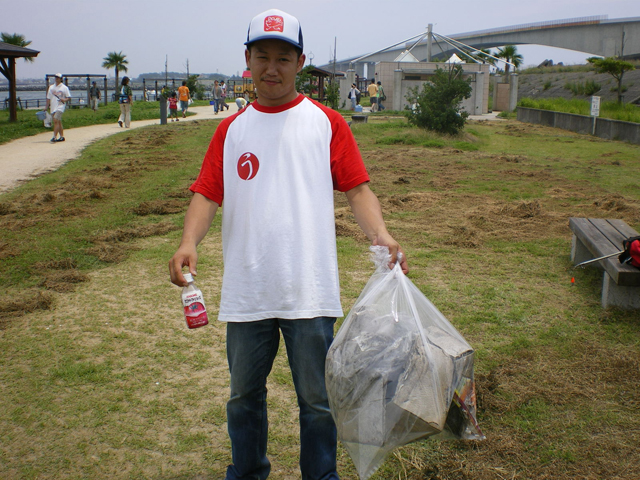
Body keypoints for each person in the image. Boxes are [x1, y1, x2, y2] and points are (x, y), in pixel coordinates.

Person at [168, 8, 407, 480]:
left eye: (283, 58)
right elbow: (207, 193)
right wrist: (188, 240)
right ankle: (247, 472)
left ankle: (320, 475)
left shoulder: (327, 123)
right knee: (243, 398)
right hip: (248, 291)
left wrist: (380, 233)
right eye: (262, 57)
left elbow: (357, 189)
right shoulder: (230, 131)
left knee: (317, 401)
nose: (272, 68)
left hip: (309, 290)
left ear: (300, 62)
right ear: (247, 60)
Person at [45, 73, 71, 143]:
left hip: (60, 106)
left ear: (61, 79)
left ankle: (54, 137)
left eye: (58, 78)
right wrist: (46, 107)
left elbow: (68, 97)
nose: (57, 79)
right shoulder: (51, 87)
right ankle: (62, 136)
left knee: (55, 120)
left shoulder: (64, 88)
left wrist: (64, 100)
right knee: (58, 121)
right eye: (56, 77)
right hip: (53, 106)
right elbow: (48, 98)